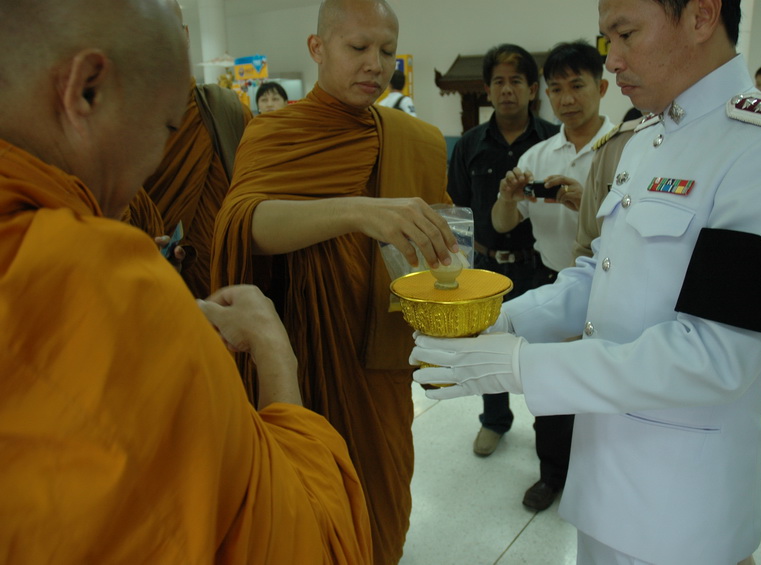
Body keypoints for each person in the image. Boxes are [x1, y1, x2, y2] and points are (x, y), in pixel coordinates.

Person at [411, 0, 761, 563]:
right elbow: (601, 275)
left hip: (683, 499)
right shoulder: (644, 142)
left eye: (625, 34)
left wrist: (519, 366)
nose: (610, 60)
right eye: (605, 38)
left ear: (701, 16)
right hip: (604, 475)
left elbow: (717, 357)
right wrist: (501, 318)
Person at [0, 1, 372, 563]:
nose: (157, 157)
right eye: (165, 128)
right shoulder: (98, 287)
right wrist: (274, 353)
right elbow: (300, 546)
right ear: (87, 90)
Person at [210, 1, 455, 562]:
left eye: (387, 51)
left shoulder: (412, 138)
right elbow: (243, 224)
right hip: (302, 350)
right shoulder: (275, 131)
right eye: (358, 48)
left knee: (382, 502)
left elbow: (431, 248)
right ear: (317, 49)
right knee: (305, 502)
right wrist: (355, 211)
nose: (376, 64)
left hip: (379, 356)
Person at [490, 40, 614, 511]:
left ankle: (601, 477)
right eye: (556, 88)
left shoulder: (628, 150)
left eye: (578, 86)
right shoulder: (539, 157)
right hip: (550, 282)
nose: (566, 99)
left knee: (606, 386)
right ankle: (552, 474)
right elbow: (503, 225)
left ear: (601, 87)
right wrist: (507, 196)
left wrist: (589, 206)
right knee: (551, 388)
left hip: (610, 288)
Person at [447, 43, 559, 458]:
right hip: (487, 269)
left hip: (542, 269)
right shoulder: (470, 145)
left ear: (533, 89)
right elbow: (456, 208)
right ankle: (494, 421)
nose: (507, 89)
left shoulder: (552, 141)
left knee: (544, 356)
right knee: (488, 349)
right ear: (487, 90)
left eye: (516, 81)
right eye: (499, 82)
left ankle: (549, 432)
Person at [124, 1, 252, 299]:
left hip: (232, 297)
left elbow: (257, 205)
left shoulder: (225, 113)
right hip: (144, 297)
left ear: (186, 36)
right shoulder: (111, 129)